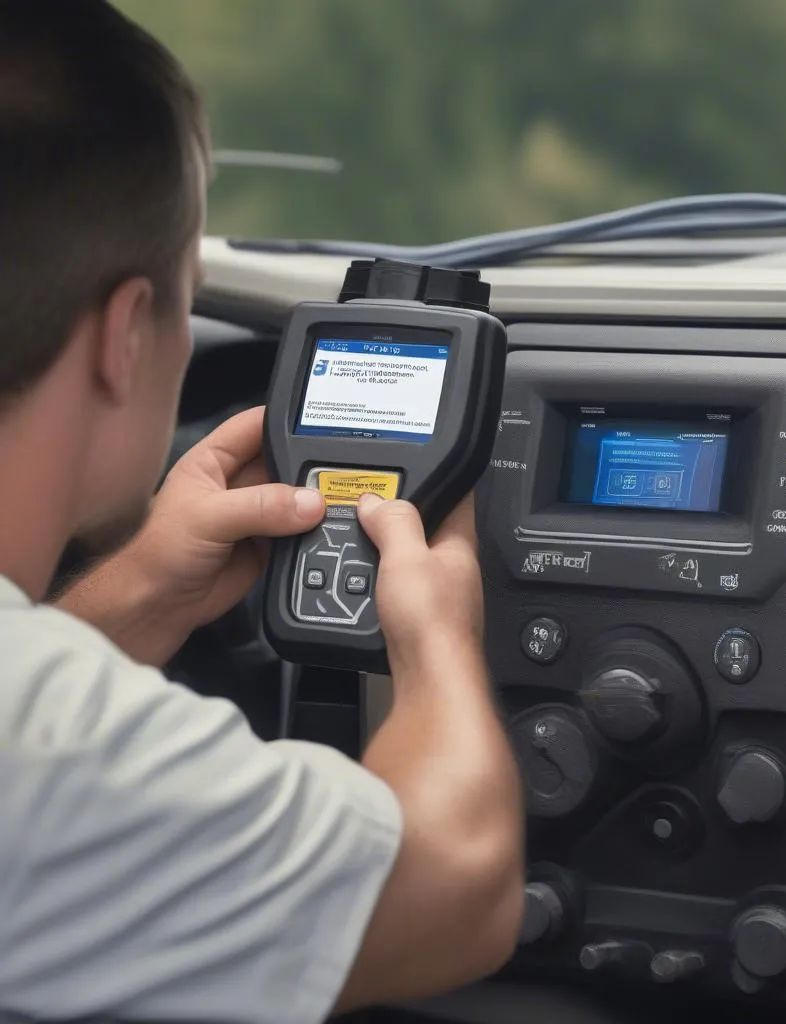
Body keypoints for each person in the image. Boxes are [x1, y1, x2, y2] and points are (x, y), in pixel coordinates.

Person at [0, 1, 525, 1021]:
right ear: (127, 334)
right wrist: (437, 638)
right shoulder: (41, 745)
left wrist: (147, 591)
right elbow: (456, 884)